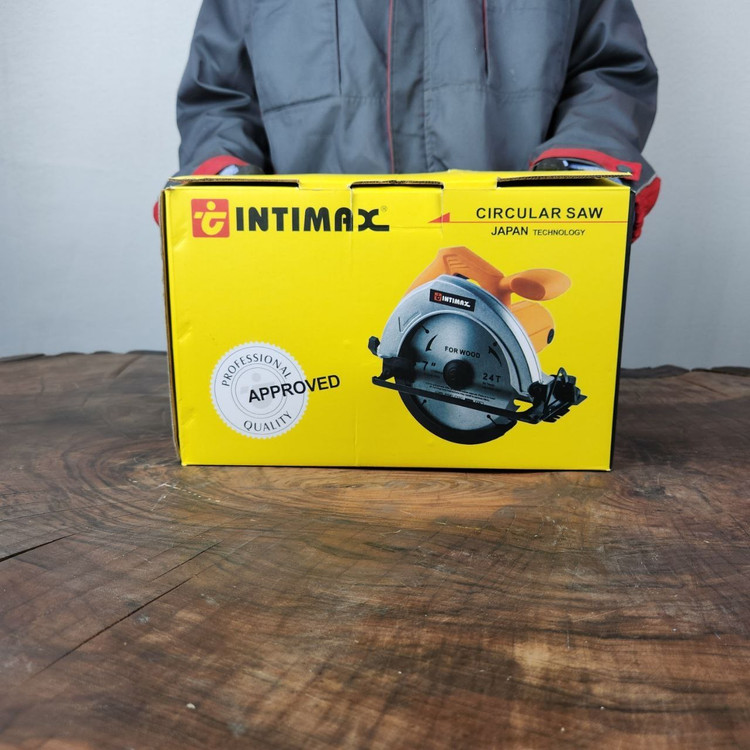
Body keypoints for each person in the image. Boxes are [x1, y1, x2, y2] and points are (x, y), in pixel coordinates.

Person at [175, 0, 660, 238]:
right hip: (307, 271)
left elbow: (607, 68)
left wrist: (580, 176)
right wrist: (223, 195)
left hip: (511, 268)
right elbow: (220, 96)